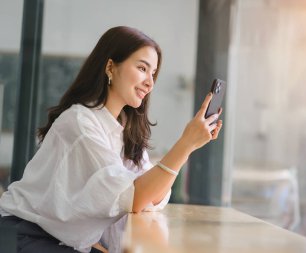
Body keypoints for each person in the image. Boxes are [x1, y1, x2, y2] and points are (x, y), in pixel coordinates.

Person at [0, 26, 222, 253]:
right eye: (142, 68)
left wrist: (190, 144)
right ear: (110, 67)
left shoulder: (125, 130)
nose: (150, 83)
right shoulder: (80, 122)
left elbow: (150, 197)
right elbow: (135, 197)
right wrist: (186, 144)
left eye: (153, 73)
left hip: (61, 239)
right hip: (22, 236)